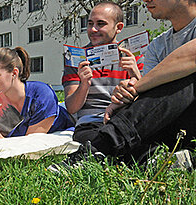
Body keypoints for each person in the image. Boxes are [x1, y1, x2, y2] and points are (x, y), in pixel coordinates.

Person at [72, 0, 196, 163]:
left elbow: (189, 57)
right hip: (176, 127)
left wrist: (137, 85)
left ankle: (100, 147)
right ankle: (156, 160)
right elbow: (150, 102)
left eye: (101, 23)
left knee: (186, 78)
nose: (145, 0)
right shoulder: (158, 45)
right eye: (90, 24)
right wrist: (125, 96)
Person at [61, 2, 143, 143]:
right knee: (96, 139)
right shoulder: (76, 59)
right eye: (90, 23)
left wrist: (136, 75)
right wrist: (84, 84)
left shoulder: (132, 58)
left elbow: (145, 101)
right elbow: (72, 108)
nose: (93, 29)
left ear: (119, 27)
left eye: (101, 24)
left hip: (124, 119)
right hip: (90, 123)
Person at [0, 47, 74, 138]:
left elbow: (31, 142)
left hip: (61, 135)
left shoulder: (41, 95)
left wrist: (3, 143)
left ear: (14, 73)